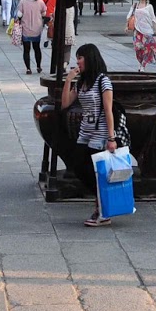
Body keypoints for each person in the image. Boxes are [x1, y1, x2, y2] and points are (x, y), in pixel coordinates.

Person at [60, 43, 119, 227]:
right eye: (77, 57)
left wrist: (111, 138)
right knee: (78, 165)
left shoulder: (103, 81)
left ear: (90, 58)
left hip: (100, 134)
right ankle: (101, 202)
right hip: (85, 132)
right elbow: (65, 103)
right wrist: (69, 80)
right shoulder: (82, 82)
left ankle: (102, 210)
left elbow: (108, 110)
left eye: (81, 57)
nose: (78, 61)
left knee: (96, 172)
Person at [126, 0, 156, 71]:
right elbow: (129, 16)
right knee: (138, 49)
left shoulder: (149, 6)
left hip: (147, 31)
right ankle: (140, 63)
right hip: (137, 31)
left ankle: (143, 65)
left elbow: (153, 18)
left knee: (147, 49)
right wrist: (127, 26)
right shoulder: (135, 5)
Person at [17, 0, 47, 74]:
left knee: (26, 50)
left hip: (25, 28)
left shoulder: (22, 2)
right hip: (37, 28)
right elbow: (44, 13)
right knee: (37, 48)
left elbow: (19, 14)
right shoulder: (40, 2)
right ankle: (38, 66)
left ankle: (28, 68)